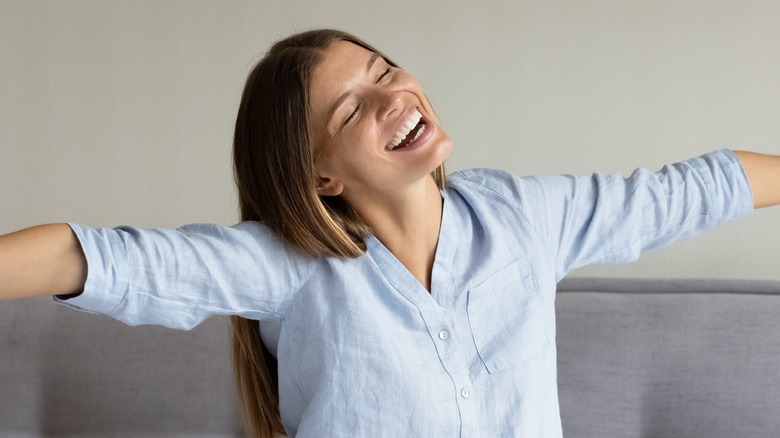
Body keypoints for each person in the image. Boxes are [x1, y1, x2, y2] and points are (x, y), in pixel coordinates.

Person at [1, 28, 779, 437]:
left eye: (382, 71)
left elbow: (695, 189)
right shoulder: (288, 265)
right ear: (321, 178)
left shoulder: (525, 218)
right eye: (349, 110)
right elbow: (93, 257)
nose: (391, 97)